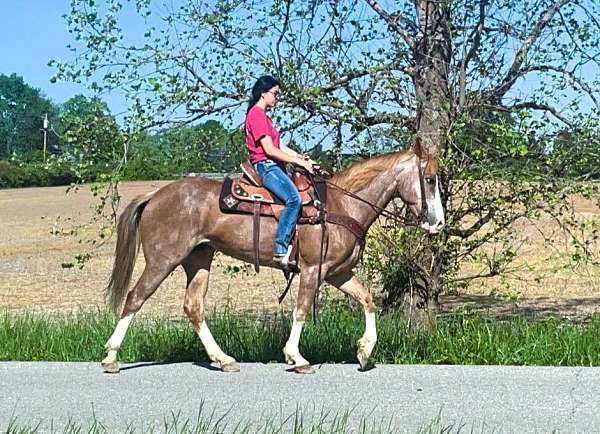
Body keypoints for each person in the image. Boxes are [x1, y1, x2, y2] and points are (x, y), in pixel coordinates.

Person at [244, 75, 317, 265]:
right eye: (275, 93)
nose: (277, 97)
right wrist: (296, 161)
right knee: (294, 199)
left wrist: (303, 159)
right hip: (266, 167)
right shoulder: (256, 115)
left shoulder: (265, 117)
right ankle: (280, 248)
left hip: (273, 165)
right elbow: (270, 150)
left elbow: (281, 147)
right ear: (263, 93)